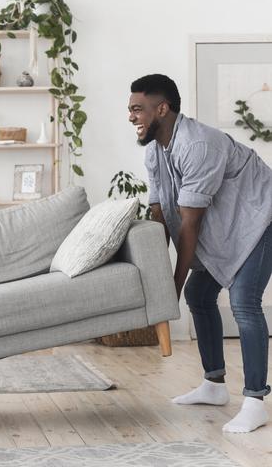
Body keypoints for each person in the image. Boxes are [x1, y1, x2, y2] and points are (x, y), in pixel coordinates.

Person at [128, 74, 272, 433]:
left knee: (243, 301)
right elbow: (161, 215)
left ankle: (255, 400)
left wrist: (171, 292)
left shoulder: (198, 145)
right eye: (130, 110)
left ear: (162, 108)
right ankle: (214, 384)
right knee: (200, 293)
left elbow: (190, 225)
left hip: (261, 218)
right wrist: (158, 280)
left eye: (137, 109)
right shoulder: (154, 152)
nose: (131, 117)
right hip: (229, 225)